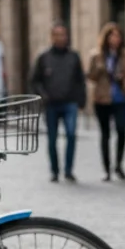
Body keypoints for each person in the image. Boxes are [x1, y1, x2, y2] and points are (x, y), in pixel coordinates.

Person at [30, 23, 86, 183]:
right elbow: (34, 81)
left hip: (70, 103)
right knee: (52, 138)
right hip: (51, 104)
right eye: (58, 35)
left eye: (64, 35)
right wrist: (43, 96)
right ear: (52, 37)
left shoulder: (73, 56)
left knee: (70, 134)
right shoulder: (44, 57)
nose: (61, 38)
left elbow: (80, 79)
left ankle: (68, 170)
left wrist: (81, 99)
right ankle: (54, 170)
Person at [86, 22, 125, 182]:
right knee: (105, 134)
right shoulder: (96, 55)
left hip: (120, 98)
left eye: (118, 36)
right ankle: (106, 169)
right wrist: (99, 69)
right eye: (112, 36)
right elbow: (90, 76)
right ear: (106, 38)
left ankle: (118, 164)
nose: (115, 39)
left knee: (121, 131)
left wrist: (124, 76)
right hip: (102, 99)